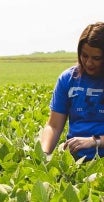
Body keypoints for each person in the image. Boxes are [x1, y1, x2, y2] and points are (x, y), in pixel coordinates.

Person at [41, 22, 104, 161]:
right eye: (84, 56)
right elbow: (54, 126)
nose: (88, 63)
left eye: (96, 58)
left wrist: (95, 141)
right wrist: (43, 154)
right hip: (75, 161)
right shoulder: (68, 79)